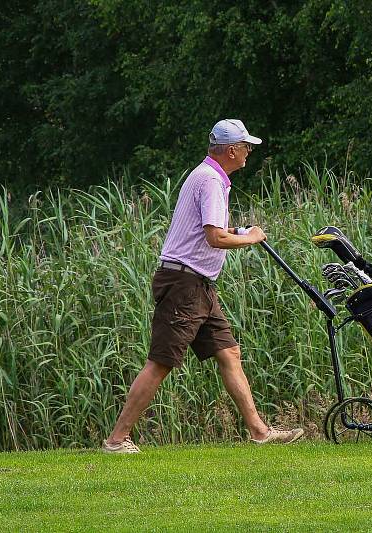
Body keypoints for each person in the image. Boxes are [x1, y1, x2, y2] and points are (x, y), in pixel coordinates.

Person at [103, 119, 304, 453]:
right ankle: (117, 439)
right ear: (230, 150)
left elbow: (213, 230)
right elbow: (214, 236)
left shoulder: (210, 177)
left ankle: (259, 432)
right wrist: (251, 238)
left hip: (199, 285)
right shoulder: (210, 180)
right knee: (162, 361)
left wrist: (240, 231)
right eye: (245, 147)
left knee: (230, 353)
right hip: (185, 283)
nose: (249, 153)